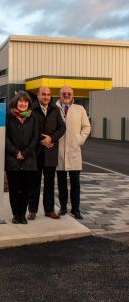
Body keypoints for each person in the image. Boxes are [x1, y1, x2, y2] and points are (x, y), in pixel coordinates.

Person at [28, 86, 66, 220]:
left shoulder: (56, 110)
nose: (46, 97)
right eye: (43, 94)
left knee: (49, 183)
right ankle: (32, 210)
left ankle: (49, 210)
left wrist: (52, 138)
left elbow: (62, 127)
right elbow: (28, 128)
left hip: (51, 152)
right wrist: (41, 139)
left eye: (48, 95)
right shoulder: (31, 109)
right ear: (38, 95)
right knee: (34, 183)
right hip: (36, 152)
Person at [56, 86, 91, 219]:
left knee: (75, 184)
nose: (66, 95)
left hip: (74, 150)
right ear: (60, 95)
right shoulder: (54, 109)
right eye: (64, 93)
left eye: (69, 93)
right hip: (59, 152)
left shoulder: (79, 109)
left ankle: (76, 209)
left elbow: (87, 126)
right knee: (61, 183)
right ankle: (63, 208)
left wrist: (80, 139)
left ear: (72, 95)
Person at [5, 91, 39, 224]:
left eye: (25, 101)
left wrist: (24, 153)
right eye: (20, 101)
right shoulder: (8, 116)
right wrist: (15, 152)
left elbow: (35, 138)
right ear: (16, 101)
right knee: (14, 190)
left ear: (28, 103)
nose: (23, 103)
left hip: (28, 159)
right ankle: (15, 215)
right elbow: (5, 136)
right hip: (12, 159)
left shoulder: (33, 117)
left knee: (26, 190)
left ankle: (22, 214)